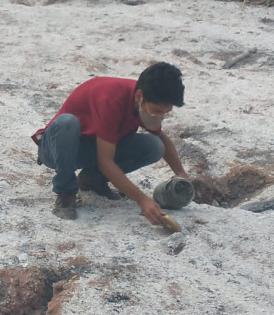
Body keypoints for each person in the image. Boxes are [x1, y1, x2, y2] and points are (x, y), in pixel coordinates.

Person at [32, 62, 188, 224]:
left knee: (154, 146)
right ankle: (66, 192)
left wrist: (181, 174)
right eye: (157, 111)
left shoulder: (144, 100)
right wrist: (143, 200)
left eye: (165, 113)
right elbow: (105, 162)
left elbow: (161, 138)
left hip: (93, 146)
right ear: (139, 97)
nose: (160, 117)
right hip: (56, 149)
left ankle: (91, 179)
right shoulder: (110, 99)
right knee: (67, 122)